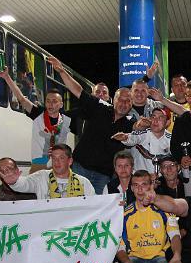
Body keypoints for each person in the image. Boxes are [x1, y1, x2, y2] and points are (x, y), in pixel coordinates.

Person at [71, 170, 183, 263]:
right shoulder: (125, 215)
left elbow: (175, 235)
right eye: (136, 185)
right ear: (132, 188)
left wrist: (176, 256)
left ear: (151, 186)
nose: (140, 189)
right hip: (135, 258)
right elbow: (119, 246)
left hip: (159, 256)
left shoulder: (164, 209)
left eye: (144, 184)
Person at [47, 57, 136, 194]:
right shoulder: (100, 107)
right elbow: (79, 91)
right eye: (120, 99)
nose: (123, 104)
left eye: (127, 101)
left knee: (97, 206)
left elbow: (140, 129)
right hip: (80, 168)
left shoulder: (131, 122)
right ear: (114, 100)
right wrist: (62, 71)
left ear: (131, 104)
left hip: (103, 176)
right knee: (73, 201)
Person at [0, 66, 72, 173]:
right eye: (48, 101)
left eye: (54, 101)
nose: (50, 104)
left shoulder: (66, 121)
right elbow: (22, 99)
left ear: (61, 104)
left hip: (59, 165)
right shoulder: (39, 113)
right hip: (39, 164)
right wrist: (6, 77)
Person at [0, 144, 95, 199]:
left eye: (61, 158)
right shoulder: (41, 177)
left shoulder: (84, 182)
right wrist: (14, 182)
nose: (57, 162)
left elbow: (93, 206)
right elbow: (24, 184)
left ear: (70, 161)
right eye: (54, 158)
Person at [111, 107, 172, 174]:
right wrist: (124, 138)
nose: (155, 121)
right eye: (153, 117)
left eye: (160, 118)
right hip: (138, 176)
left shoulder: (171, 139)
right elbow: (132, 138)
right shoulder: (143, 132)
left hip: (161, 177)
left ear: (167, 122)